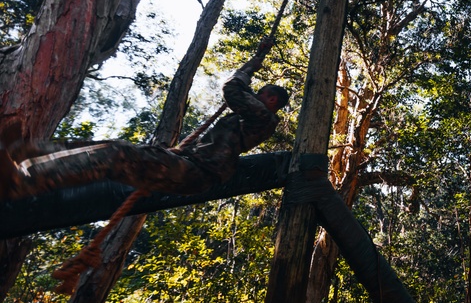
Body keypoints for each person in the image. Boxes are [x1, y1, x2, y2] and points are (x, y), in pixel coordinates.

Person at [1, 41, 288, 201]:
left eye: (260, 93)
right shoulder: (248, 121)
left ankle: (21, 181)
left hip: (196, 173)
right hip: (188, 164)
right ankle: (24, 153)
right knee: (107, 147)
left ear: (271, 100)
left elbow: (232, 89)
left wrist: (254, 62)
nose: (255, 95)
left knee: (115, 156)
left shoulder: (263, 117)